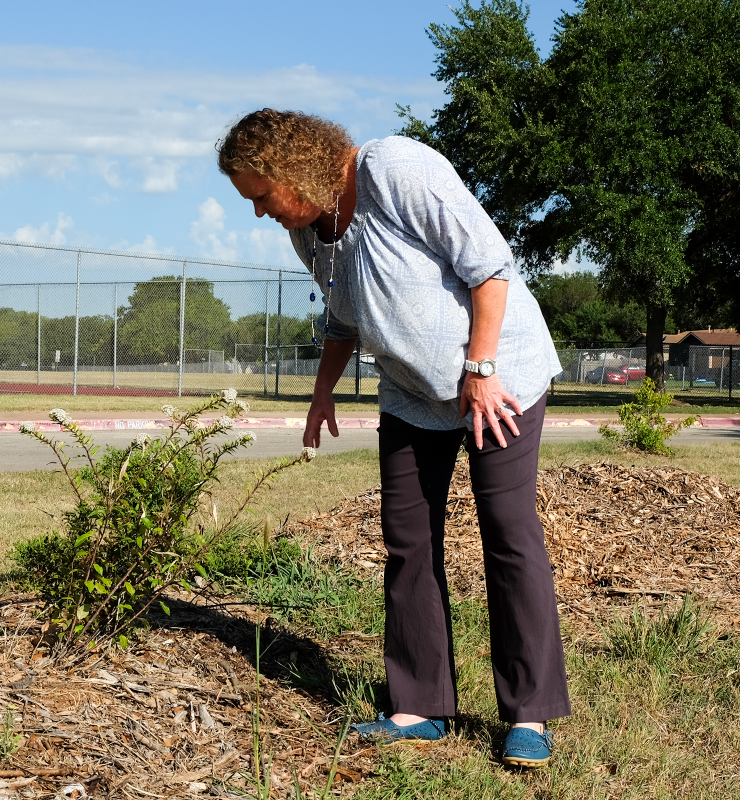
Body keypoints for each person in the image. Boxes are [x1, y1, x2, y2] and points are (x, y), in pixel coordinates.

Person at [217, 109, 569, 768]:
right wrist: (323, 391)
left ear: (293, 170)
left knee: (507, 530)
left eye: (261, 196)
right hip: (411, 392)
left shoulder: (393, 169)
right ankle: (420, 705)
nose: (260, 213)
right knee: (407, 540)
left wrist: (481, 368)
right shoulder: (311, 230)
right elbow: (344, 319)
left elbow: (490, 267)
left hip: (498, 375)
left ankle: (528, 714)